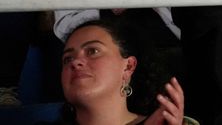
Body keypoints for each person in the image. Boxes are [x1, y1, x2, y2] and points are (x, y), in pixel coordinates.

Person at [57, 19, 187, 125]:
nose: (75, 62)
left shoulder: (169, 122)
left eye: (93, 51)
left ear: (128, 66)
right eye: (67, 59)